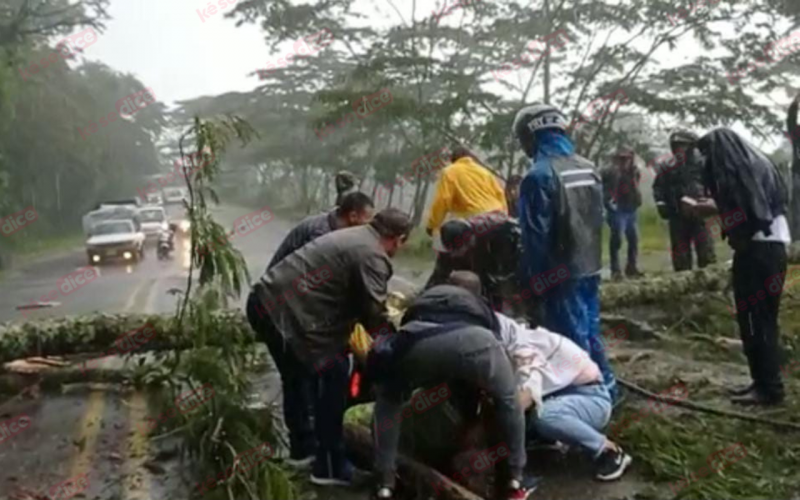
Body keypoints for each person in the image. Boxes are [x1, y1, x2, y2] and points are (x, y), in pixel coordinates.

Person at [246, 208, 410, 484]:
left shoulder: (353, 235)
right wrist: (398, 345)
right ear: (398, 238)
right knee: (332, 375)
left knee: (297, 378)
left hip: (265, 304)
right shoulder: (372, 254)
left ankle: (303, 451)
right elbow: (375, 313)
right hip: (287, 316)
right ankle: (330, 466)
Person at [447, 271, 632, 482]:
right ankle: (546, 440)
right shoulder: (481, 325)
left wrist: (480, 435)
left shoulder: (517, 343)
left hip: (589, 397)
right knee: (511, 413)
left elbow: (525, 391)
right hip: (556, 395)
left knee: (542, 416)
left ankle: (608, 450)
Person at [368, 282, 533, 500]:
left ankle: (385, 482)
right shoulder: (483, 308)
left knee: (389, 400)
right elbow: (492, 348)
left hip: (419, 344)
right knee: (508, 401)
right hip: (476, 344)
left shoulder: (421, 304)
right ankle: (515, 479)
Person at [511, 103, 618, 401]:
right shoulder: (589, 168)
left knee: (567, 341)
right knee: (591, 331)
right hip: (591, 266)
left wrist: (532, 283)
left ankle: (586, 400)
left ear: (532, 135)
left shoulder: (538, 177)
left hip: (557, 274)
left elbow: (535, 239)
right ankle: (607, 386)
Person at [693, 128, 790, 406]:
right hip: (774, 249)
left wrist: (713, 209)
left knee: (753, 320)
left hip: (757, 252)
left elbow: (749, 216)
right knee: (764, 321)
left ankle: (768, 388)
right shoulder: (759, 164)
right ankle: (765, 384)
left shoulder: (738, 169)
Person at [425, 146, 509, 289]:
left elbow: (442, 201)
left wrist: (432, 225)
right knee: (484, 269)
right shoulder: (485, 173)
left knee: (446, 264)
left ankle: (431, 294)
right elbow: (501, 198)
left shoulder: (450, 171)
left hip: (472, 224)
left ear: (453, 160)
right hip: (498, 223)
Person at [423, 212, 520, 312]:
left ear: (469, 241)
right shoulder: (452, 246)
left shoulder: (497, 233)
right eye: (450, 251)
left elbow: (502, 276)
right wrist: (424, 298)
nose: (452, 255)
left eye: (455, 251)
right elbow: (439, 275)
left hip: (511, 253)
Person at [653, 129, 717, 271]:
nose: (678, 149)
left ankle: (709, 283)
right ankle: (682, 284)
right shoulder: (667, 166)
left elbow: (715, 185)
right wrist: (661, 204)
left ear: (691, 146)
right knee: (680, 254)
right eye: (675, 145)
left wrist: (711, 202)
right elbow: (658, 188)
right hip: (677, 215)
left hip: (700, 213)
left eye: (682, 145)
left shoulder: (703, 164)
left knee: (706, 251)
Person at [267, 191, 374, 270]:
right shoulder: (321, 233)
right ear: (353, 216)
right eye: (366, 222)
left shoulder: (332, 224)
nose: (366, 229)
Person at [601, 146, 643, 281]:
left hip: (630, 207)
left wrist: (637, 199)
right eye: (621, 159)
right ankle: (615, 270)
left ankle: (631, 267)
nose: (624, 161)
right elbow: (602, 189)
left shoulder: (635, 171)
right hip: (616, 209)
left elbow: (636, 186)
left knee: (633, 239)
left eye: (627, 158)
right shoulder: (608, 172)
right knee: (617, 238)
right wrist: (608, 202)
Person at [786, 92, 800, 240]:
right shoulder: (797, 133)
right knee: (797, 209)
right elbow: (790, 119)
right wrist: (796, 101)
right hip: (798, 175)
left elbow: (790, 120)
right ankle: (796, 240)